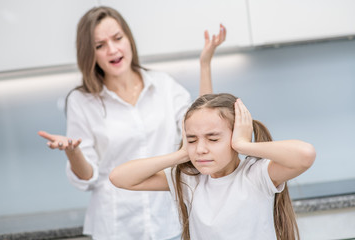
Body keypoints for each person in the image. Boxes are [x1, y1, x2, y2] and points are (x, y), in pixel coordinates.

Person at [38, 6, 226, 240]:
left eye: (117, 38)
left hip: (168, 221)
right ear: (90, 54)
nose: (113, 49)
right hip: (116, 228)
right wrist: (73, 152)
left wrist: (205, 65)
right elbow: (88, 177)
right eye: (100, 45)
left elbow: (202, 125)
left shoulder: (163, 85)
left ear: (129, 39)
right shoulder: (81, 101)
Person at [110, 93, 316, 240]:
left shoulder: (256, 176)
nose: (200, 149)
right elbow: (119, 178)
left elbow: (305, 155)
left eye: (213, 139)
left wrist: (244, 145)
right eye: (192, 140)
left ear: (234, 137)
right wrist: (181, 153)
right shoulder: (188, 180)